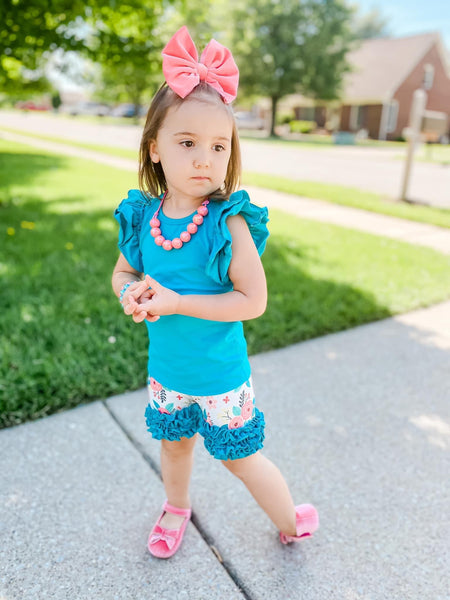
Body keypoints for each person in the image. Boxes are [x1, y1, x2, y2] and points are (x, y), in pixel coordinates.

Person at [111, 26, 319, 559]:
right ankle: (175, 507)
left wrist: (178, 301)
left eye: (218, 145)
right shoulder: (143, 217)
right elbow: (123, 274)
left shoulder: (228, 224)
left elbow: (253, 302)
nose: (205, 158)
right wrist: (131, 294)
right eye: (187, 143)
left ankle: (289, 518)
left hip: (221, 378)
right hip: (168, 373)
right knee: (174, 447)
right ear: (155, 149)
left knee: (240, 459)